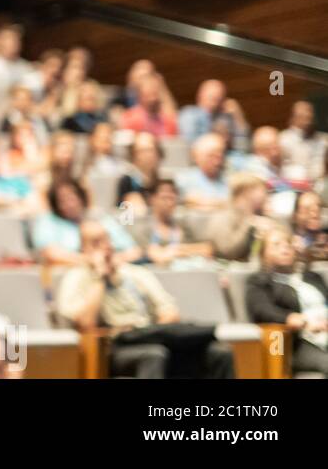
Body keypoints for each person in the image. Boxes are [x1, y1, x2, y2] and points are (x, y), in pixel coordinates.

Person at [56, 220, 233, 378]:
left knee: (219, 353)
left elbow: (170, 312)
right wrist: (100, 277)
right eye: (96, 243)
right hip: (111, 348)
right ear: (83, 249)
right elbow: (86, 323)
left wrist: (154, 331)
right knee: (154, 355)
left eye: (106, 240)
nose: (105, 247)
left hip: (149, 337)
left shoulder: (135, 273)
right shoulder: (76, 278)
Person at [244, 228, 328, 376]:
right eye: (276, 244)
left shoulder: (312, 277)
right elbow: (262, 310)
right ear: (263, 255)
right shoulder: (260, 281)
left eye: (288, 244)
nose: (284, 248)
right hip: (298, 342)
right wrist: (297, 320)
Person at [131, 180, 214, 269]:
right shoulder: (143, 227)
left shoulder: (183, 225)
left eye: (173, 198)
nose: (170, 203)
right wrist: (188, 251)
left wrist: (177, 250)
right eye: (165, 198)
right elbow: (158, 257)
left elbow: (207, 249)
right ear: (152, 199)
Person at [174, 133, 231, 210]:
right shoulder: (183, 179)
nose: (217, 162)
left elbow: (233, 203)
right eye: (211, 156)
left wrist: (201, 202)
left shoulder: (229, 181)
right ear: (197, 156)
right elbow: (185, 201)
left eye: (220, 156)